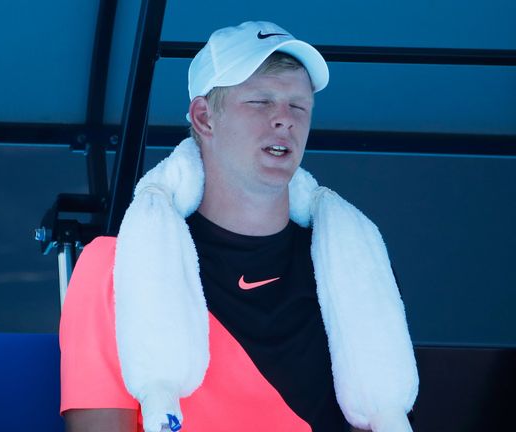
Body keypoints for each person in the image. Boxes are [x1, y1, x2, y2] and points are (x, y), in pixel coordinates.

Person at [60, 21, 418, 432]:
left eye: (298, 105)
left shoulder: (352, 266)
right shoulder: (115, 267)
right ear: (204, 118)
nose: (284, 119)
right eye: (261, 101)